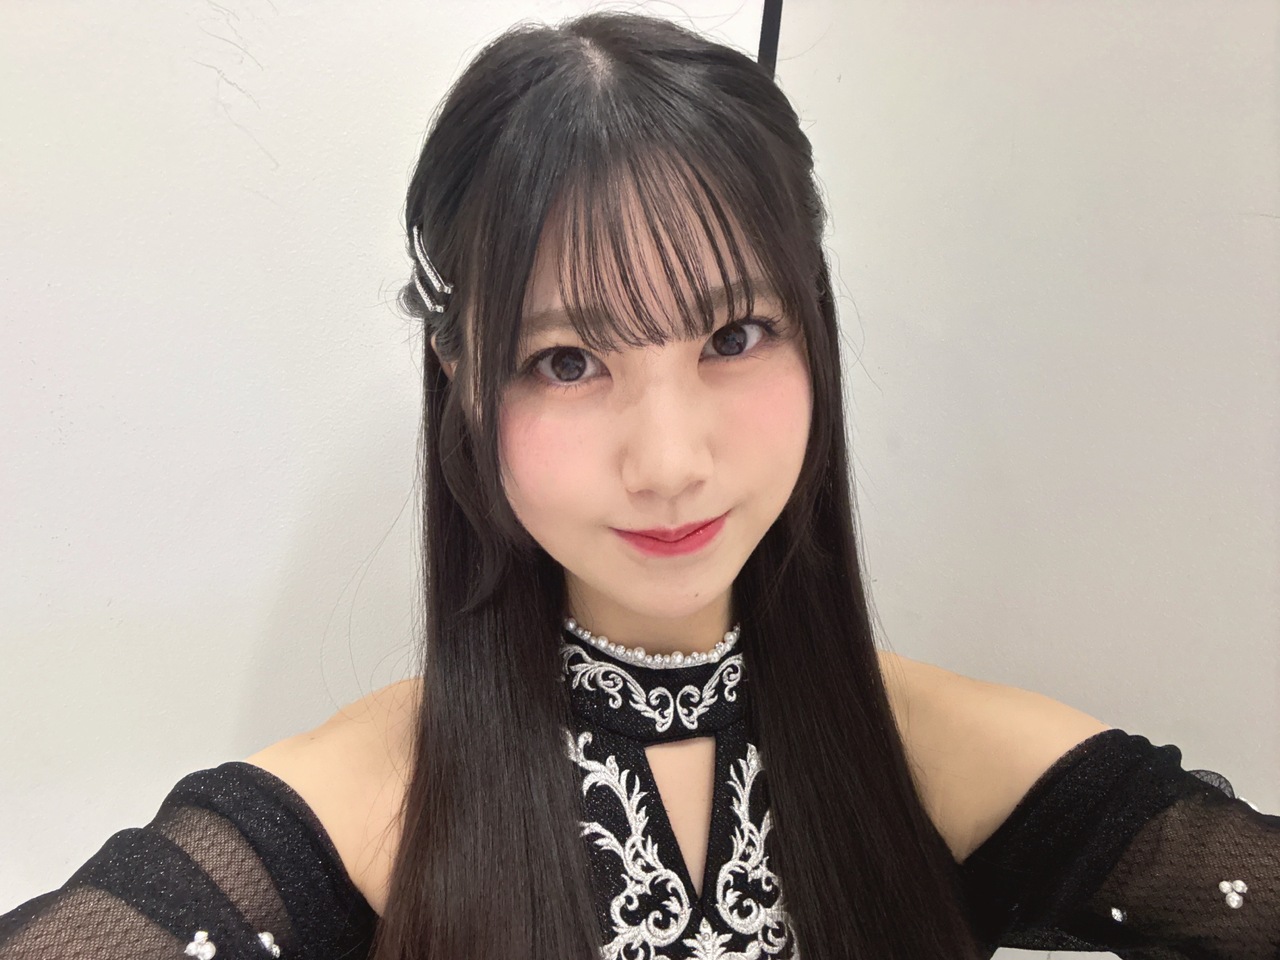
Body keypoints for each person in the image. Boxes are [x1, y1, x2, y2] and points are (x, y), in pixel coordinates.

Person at [1, 10, 1276, 960]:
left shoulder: (939, 760)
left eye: (733, 336)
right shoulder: (362, 804)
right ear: (459, 375)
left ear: (812, 329)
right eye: (567, 361)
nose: (668, 462)